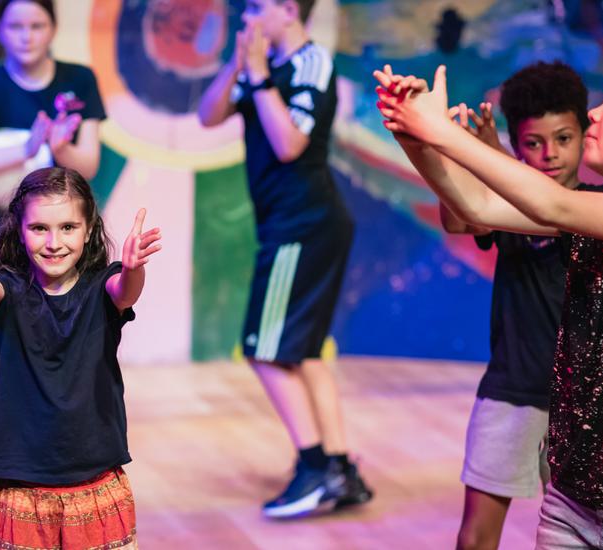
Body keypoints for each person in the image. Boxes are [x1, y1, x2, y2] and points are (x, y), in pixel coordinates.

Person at [376, 58, 603, 548]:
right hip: (572, 501)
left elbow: (553, 203)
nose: (594, 114)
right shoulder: (598, 212)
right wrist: (416, 135)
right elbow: (476, 207)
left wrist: (446, 135)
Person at [196, 0, 372, 518]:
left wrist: (256, 75)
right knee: (305, 351)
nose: (247, 17)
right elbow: (208, 116)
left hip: (304, 226)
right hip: (290, 225)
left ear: (288, 9)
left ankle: (314, 467)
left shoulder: (311, 63)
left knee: (264, 348)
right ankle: (340, 468)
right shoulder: (262, 69)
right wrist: (238, 66)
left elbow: (290, 144)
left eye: (256, 7)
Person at [0, 167, 161, 549]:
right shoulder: (8, 288)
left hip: (93, 481)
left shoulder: (103, 286)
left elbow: (125, 292)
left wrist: (134, 267)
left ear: (89, 228)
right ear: (19, 229)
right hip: (21, 486)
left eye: (67, 227)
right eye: (39, 228)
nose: (53, 242)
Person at [439, 62, 596, 550]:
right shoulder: (503, 209)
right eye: (533, 144)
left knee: (586, 536)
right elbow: (460, 217)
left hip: (585, 400)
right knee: (477, 538)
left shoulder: (602, 207)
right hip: (510, 393)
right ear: (516, 144)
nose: (549, 154)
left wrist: (493, 155)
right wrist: (467, 155)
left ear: (585, 134)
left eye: (563, 139)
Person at [0, 0, 105, 251]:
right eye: (15, 26)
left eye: (37, 26)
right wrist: (26, 150)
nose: (26, 37)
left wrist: (60, 149)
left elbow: (89, 167)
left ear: (53, 28)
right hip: (2, 234)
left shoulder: (80, 78)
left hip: (65, 234)